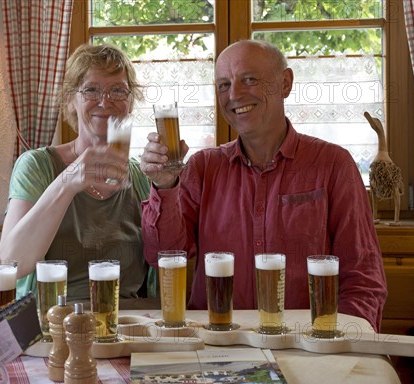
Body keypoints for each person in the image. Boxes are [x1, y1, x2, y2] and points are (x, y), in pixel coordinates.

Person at [140, 39, 387, 331]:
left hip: (304, 344)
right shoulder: (202, 167)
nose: (234, 95)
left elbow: (362, 278)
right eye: (223, 85)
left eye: (249, 79)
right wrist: (166, 185)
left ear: (285, 83)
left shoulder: (334, 164)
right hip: (216, 344)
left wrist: (342, 344)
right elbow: (161, 255)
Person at [0, 43, 150, 301]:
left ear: (131, 102)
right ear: (71, 100)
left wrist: (171, 184)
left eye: (118, 90)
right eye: (91, 89)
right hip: (54, 322)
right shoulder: (36, 165)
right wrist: (69, 180)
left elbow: (172, 256)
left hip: (130, 324)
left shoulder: (141, 176)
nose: (105, 101)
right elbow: (13, 263)